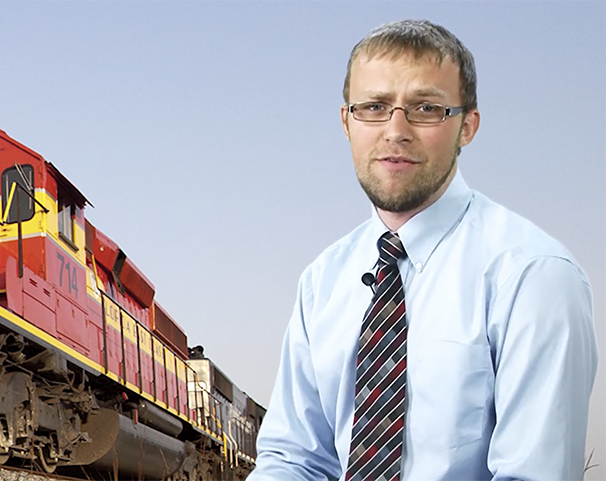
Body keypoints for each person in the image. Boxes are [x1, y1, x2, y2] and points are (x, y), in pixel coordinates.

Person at [248, 19, 598, 481]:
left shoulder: (534, 276)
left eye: (426, 108)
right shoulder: (322, 281)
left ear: (467, 126)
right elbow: (297, 460)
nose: (396, 130)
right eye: (374, 107)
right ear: (346, 122)